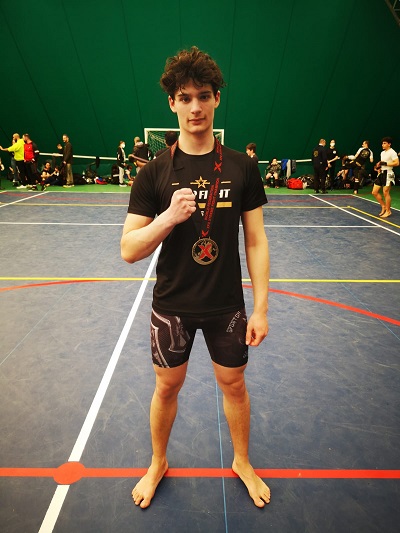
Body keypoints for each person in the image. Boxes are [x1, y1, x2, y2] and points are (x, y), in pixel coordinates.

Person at [121, 46, 271, 510]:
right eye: (184, 98)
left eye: (204, 96)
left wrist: (261, 308)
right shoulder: (154, 171)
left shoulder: (242, 167)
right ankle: (158, 462)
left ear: (217, 98)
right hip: (172, 306)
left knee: (235, 385)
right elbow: (129, 249)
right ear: (172, 103)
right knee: (166, 387)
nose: (195, 107)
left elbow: (256, 241)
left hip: (227, 306)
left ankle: (241, 461)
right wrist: (167, 218)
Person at [372, 137, 399, 218]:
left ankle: (388, 211)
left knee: (385, 192)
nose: (383, 145)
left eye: (384, 143)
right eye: (382, 143)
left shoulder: (392, 152)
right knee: (374, 192)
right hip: (382, 173)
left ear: (389, 144)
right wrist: (379, 166)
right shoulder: (382, 153)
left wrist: (385, 163)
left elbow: (397, 163)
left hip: (389, 173)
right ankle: (383, 206)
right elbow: (382, 163)